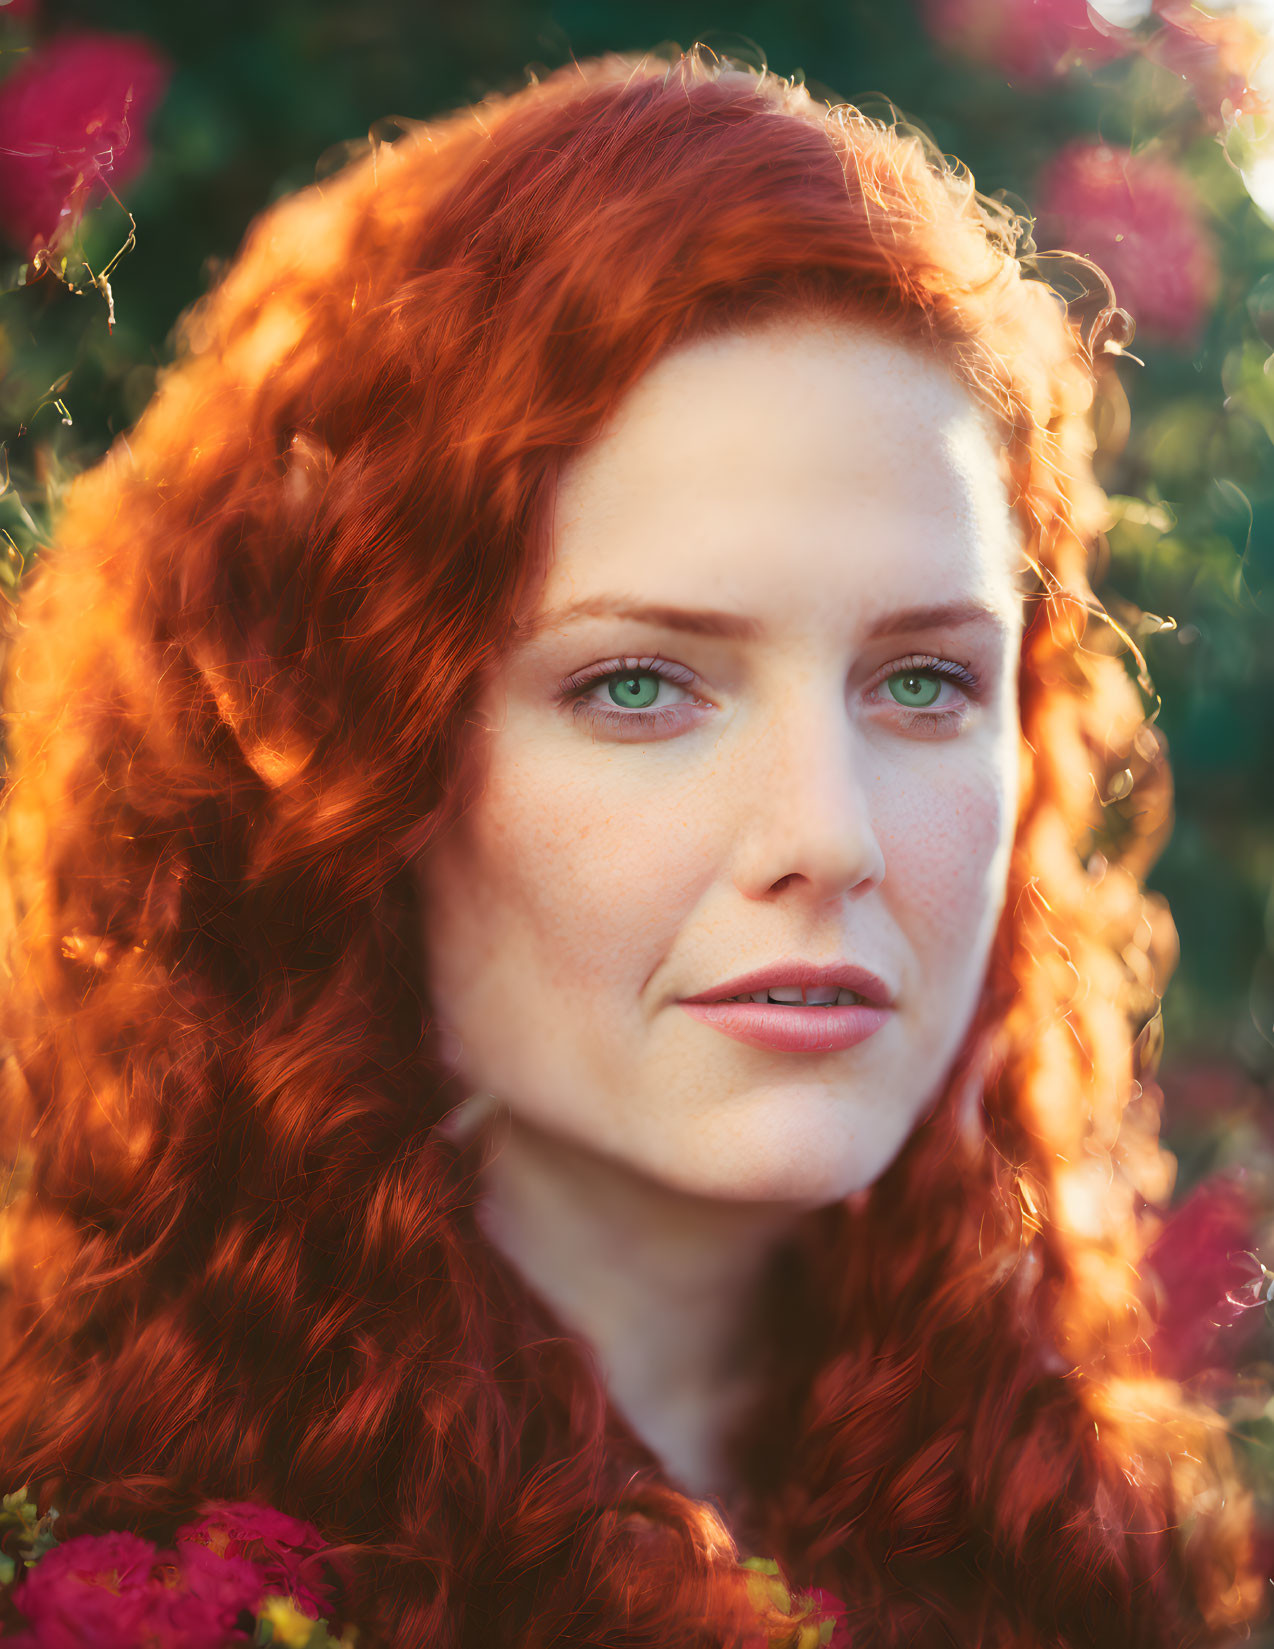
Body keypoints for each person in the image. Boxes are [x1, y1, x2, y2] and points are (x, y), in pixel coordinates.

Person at [0, 44, 1262, 1649]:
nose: (827, 833)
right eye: (639, 683)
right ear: (351, 761)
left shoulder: (1109, 1553)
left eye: (925, 679)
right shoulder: (115, 1562)